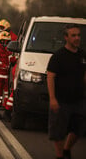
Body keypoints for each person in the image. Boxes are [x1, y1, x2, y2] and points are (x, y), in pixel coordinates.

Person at [47, 24, 86, 159]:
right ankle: (60, 156)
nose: (77, 38)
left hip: (79, 100)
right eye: (73, 35)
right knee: (58, 131)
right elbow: (50, 77)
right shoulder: (58, 56)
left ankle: (66, 149)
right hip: (61, 100)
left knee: (79, 129)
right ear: (66, 37)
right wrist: (52, 98)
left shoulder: (82, 55)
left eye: (78, 35)